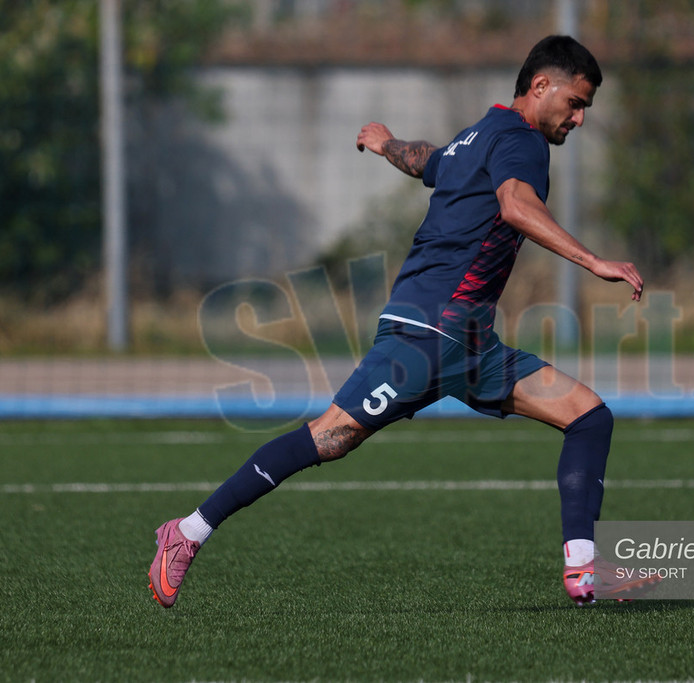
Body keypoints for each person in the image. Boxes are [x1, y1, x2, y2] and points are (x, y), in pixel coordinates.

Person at [149, 35, 658, 608]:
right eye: (575, 103)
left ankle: (584, 568)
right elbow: (516, 205)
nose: (580, 118)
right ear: (540, 86)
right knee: (330, 437)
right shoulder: (523, 141)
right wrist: (595, 261)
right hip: (427, 334)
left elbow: (428, 162)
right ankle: (187, 531)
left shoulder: (479, 134)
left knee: (588, 416)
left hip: (470, 345)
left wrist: (385, 142)